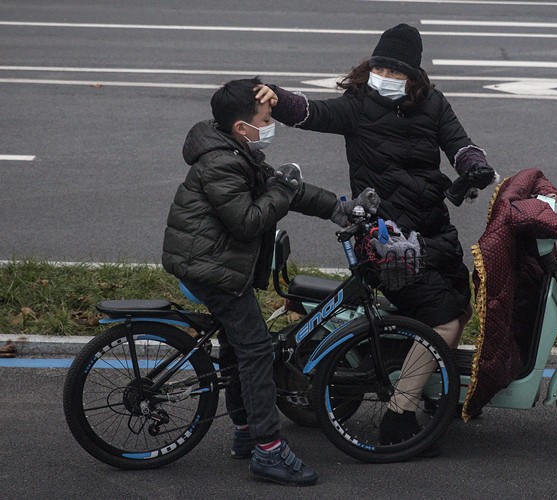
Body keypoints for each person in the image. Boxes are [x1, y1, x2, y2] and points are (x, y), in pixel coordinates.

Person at [256, 23, 496, 444]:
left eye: (395, 71)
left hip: (433, 232)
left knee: (458, 308)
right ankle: (399, 416)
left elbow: (461, 145)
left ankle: (425, 389)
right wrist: (275, 96)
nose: (385, 75)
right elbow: (310, 112)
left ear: (414, 77)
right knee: (443, 322)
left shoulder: (434, 106)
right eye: (379, 67)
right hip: (386, 241)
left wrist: (474, 166)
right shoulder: (357, 106)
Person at [161, 77, 379, 486]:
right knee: (257, 351)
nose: (271, 122)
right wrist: (282, 186)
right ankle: (268, 450)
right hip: (211, 267)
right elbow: (248, 221)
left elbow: (287, 192)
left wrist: (341, 208)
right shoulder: (222, 162)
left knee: (237, 343)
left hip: (212, 259)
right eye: (265, 117)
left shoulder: (232, 147)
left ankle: (244, 432)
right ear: (243, 127)